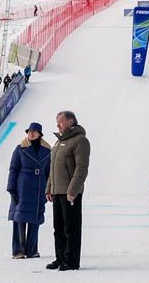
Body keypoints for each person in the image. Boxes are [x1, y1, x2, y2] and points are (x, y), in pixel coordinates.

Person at [46, 110, 90, 271]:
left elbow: (81, 168)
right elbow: (52, 168)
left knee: (71, 228)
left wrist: (73, 190)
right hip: (57, 191)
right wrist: (49, 188)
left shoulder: (80, 140)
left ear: (70, 122)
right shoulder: (58, 142)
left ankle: (71, 260)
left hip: (70, 193)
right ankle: (61, 257)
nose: (57, 125)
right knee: (58, 228)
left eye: (60, 122)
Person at [7, 122, 51, 259]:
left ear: (39, 134)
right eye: (29, 131)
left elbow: (49, 172)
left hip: (39, 187)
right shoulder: (20, 149)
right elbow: (13, 169)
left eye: (34, 131)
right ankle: (18, 250)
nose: (31, 133)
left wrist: (49, 189)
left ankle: (32, 249)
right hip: (22, 187)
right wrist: (11, 189)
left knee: (35, 218)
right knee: (19, 218)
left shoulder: (47, 151)